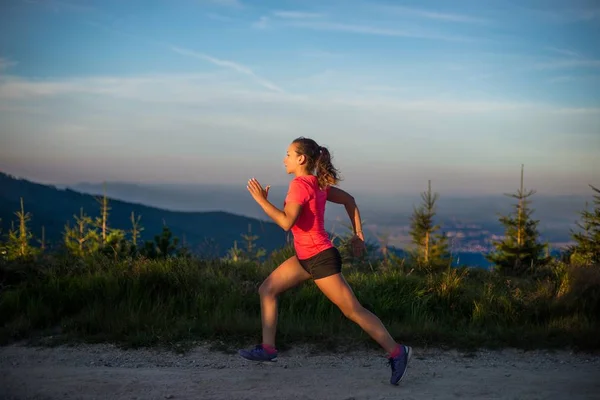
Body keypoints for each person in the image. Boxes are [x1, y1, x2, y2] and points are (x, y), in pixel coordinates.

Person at [239, 137, 412, 386]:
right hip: (305, 258)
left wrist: (262, 201)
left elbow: (286, 222)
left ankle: (398, 352)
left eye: (288, 154)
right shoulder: (317, 183)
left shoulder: (300, 185)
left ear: (301, 159)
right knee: (267, 289)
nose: (284, 159)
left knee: (353, 310)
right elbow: (349, 200)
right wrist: (358, 233)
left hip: (320, 258)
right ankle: (268, 349)